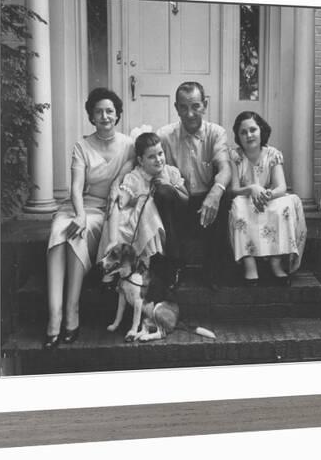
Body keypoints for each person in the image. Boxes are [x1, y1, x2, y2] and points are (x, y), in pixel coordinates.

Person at [44, 88, 135, 349]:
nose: (104, 116)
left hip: (109, 211)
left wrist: (118, 184)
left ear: (117, 115)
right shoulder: (82, 146)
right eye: (98, 111)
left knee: (76, 236)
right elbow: (75, 187)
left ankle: (72, 312)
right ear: (91, 116)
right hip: (82, 206)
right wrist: (80, 214)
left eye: (109, 111)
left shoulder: (129, 144)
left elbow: (132, 173)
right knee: (60, 230)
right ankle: (54, 315)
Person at [157, 81, 231, 288]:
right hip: (178, 202)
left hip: (205, 205)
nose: (189, 114)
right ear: (176, 108)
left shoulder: (216, 133)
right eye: (183, 107)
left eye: (195, 106)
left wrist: (215, 193)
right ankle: (173, 265)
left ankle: (214, 269)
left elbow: (225, 168)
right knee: (161, 192)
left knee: (224, 194)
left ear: (205, 105)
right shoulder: (164, 135)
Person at [228, 111, 307, 286]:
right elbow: (234, 189)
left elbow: (281, 187)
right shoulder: (235, 157)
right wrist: (252, 188)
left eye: (253, 130)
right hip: (246, 198)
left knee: (285, 204)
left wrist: (266, 194)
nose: (249, 135)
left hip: (269, 197)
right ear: (238, 136)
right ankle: (250, 265)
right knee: (239, 206)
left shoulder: (273, 154)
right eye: (243, 132)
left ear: (261, 131)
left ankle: (276, 261)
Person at [97, 132, 188, 261]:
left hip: (171, 223)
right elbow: (118, 203)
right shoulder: (135, 177)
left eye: (160, 153)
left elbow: (186, 198)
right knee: (147, 206)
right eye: (151, 157)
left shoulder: (171, 172)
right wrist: (112, 240)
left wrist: (171, 186)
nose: (158, 159)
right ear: (140, 160)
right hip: (144, 225)